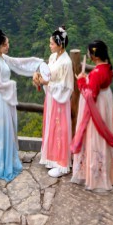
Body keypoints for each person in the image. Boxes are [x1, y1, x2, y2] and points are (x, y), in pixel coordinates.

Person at [0, 29, 46, 182]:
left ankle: (8, 159)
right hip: (0, 99)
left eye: (8, 43)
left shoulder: (2, 57)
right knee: (1, 128)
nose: (8, 46)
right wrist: (12, 84)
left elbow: (18, 63)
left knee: (8, 127)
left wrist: (37, 62)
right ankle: (0, 163)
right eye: (5, 45)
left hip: (5, 98)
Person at [71, 39, 113, 192]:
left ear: (95, 56)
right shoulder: (107, 68)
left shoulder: (97, 73)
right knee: (103, 136)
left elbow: (89, 95)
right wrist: (88, 79)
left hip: (96, 108)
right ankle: (106, 174)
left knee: (95, 136)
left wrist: (81, 80)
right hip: (105, 104)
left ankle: (95, 177)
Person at [31, 26, 74, 177]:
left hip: (60, 100)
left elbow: (67, 86)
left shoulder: (66, 63)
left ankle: (62, 164)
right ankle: (52, 159)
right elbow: (47, 74)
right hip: (51, 97)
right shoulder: (52, 58)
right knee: (51, 127)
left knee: (60, 129)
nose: (49, 45)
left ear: (60, 45)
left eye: (52, 43)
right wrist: (38, 76)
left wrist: (47, 83)